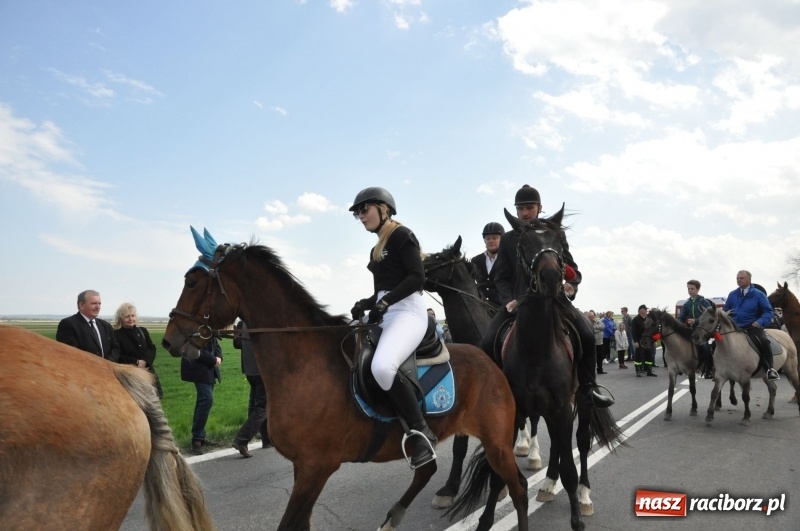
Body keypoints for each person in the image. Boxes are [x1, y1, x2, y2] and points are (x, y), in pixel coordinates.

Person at [480, 184, 613, 408]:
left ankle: (588, 388)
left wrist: (572, 285)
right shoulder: (509, 239)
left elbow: (571, 268)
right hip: (519, 303)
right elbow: (501, 277)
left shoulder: (555, 233)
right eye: (520, 208)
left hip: (555, 300)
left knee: (587, 334)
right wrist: (508, 300)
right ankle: (493, 392)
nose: (524, 213)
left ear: (540, 207)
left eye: (529, 207)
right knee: (487, 341)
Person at [349, 186, 436, 468]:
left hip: (408, 311)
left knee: (383, 367)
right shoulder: (376, 248)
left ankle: (421, 432)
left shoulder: (401, 234)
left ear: (384, 208)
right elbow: (382, 290)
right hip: (387, 311)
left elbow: (417, 278)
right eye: (357, 213)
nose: (361, 216)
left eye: (364, 210)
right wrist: (365, 303)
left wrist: (386, 302)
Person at [723, 270, 779, 381]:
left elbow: (768, 311)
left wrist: (760, 322)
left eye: (741, 278)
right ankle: (715, 368)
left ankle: (770, 369)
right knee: (718, 341)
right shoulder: (732, 294)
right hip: (735, 328)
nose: (739, 280)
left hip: (752, 327)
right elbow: (726, 309)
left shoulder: (758, 294)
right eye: (737, 278)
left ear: (749, 280)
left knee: (764, 341)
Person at [231, 320, 270, 458]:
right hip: (261, 370)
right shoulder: (262, 320)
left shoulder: (243, 322)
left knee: (258, 405)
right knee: (262, 407)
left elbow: (237, 344)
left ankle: (267, 440)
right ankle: (241, 440)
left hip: (249, 370)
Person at [181, 337, 223, 455]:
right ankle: (197, 439)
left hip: (209, 368)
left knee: (203, 401)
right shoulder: (194, 329)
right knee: (206, 400)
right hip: (199, 368)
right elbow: (194, 348)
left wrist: (219, 357)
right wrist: (213, 360)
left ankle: (199, 437)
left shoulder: (208, 328)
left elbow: (215, 343)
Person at [112, 302, 163, 398]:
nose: (131, 319)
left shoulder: (142, 331)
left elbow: (151, 348)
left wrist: (145, 361)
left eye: (133, 315)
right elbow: (118, 355)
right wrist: (136, 362)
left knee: (154, 399)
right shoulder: (116, 334)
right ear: (121, 318)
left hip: (148, 372)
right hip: (129, 375)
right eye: (127, 316)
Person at [56, 290, 120, 362]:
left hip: (107, 368)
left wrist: (108, 363)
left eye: (99, 304)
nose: (98, 307)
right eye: (94, 303)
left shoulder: (106, 326)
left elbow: (115, 348)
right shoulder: (68, 324)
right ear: (82, 305)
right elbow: (70, 353)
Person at [678, 279, 714, 378]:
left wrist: (696, 321)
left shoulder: (704, 302)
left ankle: (709, 369)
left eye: (692, 289)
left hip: (702, 331)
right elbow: (681, 318)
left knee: (705, 346)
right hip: (691, 330)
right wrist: (678, 325)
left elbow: (708, 317)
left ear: (698, 289)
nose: (690, 291)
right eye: (688, 289)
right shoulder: (687, 304)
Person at [472, 222, 505, 308]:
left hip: (503, 306)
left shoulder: (508, 259)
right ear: (484, 240)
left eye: (495, 238)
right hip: (481, 306)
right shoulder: (475, 260)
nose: (491, 241)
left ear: (502, 240)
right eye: (488, 238)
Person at [631, 304, 657, 377]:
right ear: (641, 311)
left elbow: (651, 330)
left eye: (646, 310)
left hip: (648, 341)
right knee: (639, 356)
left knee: (649, 356)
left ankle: (649, 371)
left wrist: (654, 341)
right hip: (640, 340)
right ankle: (638, 371)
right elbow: (633, 331)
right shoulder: (635, 320)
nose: (646, 311)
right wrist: (635, 341)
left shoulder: (648, 319)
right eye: (645, 310)